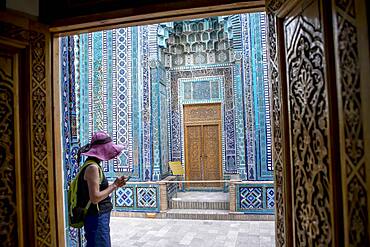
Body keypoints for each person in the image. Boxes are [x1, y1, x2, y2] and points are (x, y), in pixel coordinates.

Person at [76, 131, 128, 247]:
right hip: (96, 218)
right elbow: (95, 198)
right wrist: (114, 185)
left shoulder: (93, 165)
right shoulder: (93, 168)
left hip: (98, 218)